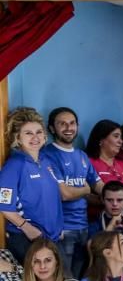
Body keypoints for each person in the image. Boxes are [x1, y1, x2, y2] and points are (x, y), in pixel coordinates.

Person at [42, 106, 104, 277]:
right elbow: (65, 194)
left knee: (79, 279)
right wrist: (85, 189)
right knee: (64, 280)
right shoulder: (47, 154)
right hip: (62, 229)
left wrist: (115, 198)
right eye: (62, 124)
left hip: (83, 227)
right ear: (52, 128)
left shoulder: (81, 156)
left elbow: (98, 184)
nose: (68, 128)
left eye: (72, 123)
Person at [0, 108, 65, 263]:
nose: (35, 137)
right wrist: (28, 229)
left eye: (38, 132)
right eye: (28, 133)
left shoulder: (47, 162)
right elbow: (4, 205)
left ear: (44, 135)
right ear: (18, 138)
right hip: (27, 238)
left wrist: (59, 228)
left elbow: (55, 197)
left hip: (52, 238)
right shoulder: (14, 165)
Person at [87, 120, 123, 213]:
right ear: (101, 140)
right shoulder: (88, 163)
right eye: (116, 136)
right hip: (99, 221)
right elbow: (85, 195)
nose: (121, 141)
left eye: (121, 137)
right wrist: (115, 202)